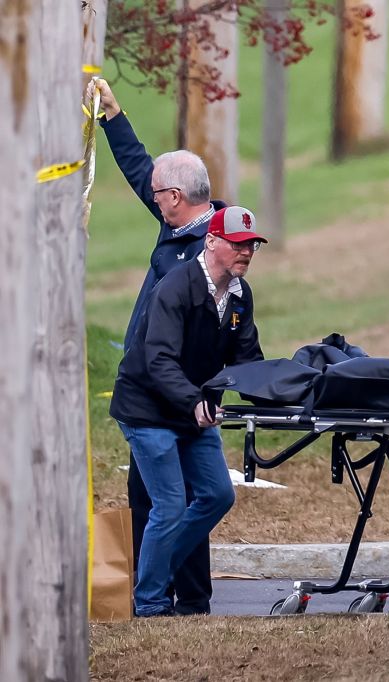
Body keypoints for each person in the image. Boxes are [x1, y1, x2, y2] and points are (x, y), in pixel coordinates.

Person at [87, 78, 226, 615]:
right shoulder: (177, 221)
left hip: (180, 388)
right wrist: (112, 118)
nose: (153, 199)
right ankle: (155, 595)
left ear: (177, 198)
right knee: (152, 498)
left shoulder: (212, 244)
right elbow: (140, 166)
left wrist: (196, 392)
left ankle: (188, 597)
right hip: (147, 385)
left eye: (160, 194)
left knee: (188, 499)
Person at [110, 206, 267, 617]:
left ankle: (154, 572)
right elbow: (159, 359)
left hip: (190, 410)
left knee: (217, 495)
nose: (246, 252)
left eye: (251, 244)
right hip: (146, 409)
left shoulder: (239, 295)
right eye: (238, 243)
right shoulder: (175, 288)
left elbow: (247, 358)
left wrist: (288, 390)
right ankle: (150, 605)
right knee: (169, 504)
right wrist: (195, 401)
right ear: (211, 242)